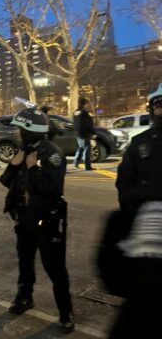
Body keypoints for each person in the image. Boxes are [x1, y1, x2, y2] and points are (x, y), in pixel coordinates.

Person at [0, 107, 74, 333]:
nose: (17, 133)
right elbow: (5, 181)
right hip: (24, 219)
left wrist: (32, 169)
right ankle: (24, 297)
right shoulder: (23, 150)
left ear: (30, 130)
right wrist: (14, 165)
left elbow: (51, 190)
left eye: (20, 129)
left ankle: (65, 312)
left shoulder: (51, 154)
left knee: (55, 268)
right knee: (25, 262)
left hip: (47, 221)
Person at [109, 83, 162, 339]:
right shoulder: (140, 143)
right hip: (144, 240)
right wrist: (133, 213)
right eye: (159, 105)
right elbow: (124, 183)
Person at [72, 97, 96, 170]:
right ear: (85, 104)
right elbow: (88, 124)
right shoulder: (85, 113)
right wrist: (93, 133)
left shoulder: (75, 112)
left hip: (77, 134)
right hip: (85, 134)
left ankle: (76, 162)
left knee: (81, 148)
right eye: (87, 103)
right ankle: (87, 166)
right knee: (86, 150)